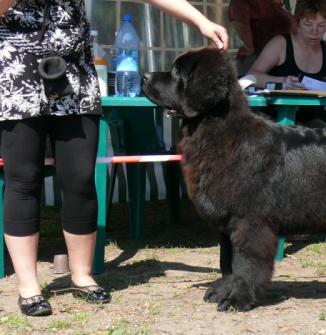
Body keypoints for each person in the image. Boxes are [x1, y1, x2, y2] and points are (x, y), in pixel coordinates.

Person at [0, 0, 227, 316]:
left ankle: (82, 276)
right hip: (17, 72)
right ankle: (29, 287)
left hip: (74, 76)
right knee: (23, 180)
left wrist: (200, 20)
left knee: (80, 179)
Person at [249, 0, 326, 127]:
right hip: (278, 120)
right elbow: (252, 76)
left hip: (314, 123)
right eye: (308, 24)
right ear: (297, 22)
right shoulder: (280, 44)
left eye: (321, 25)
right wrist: (282, 81)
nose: (314, 31)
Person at [228, 0, 297, 76]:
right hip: (256, 60)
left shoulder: (278, 5)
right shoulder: (245, 3)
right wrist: (249, 46)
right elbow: (238, 18)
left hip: (282, 61)